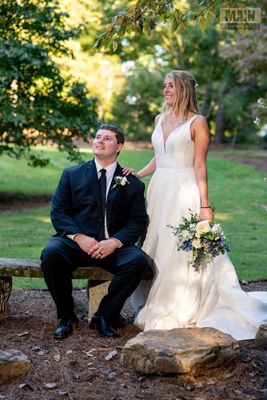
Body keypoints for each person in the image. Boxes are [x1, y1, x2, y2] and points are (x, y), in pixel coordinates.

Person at [126, 70, 267, 341]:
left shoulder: (198, 122)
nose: (165, 90)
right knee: (155, 243)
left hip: (183, 190)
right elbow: (160, 156)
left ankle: (182, 302)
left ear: (184, 90)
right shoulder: (160, 119)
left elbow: (199, 164)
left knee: (179, 248)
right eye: (164, 86)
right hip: (158, 191)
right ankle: (153, 296)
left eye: (171, 87)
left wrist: (205, 205)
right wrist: (140, 174)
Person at [41, 124, 150, 340]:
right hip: (77, 244)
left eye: (107, 138)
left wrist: (116, 241)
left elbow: (137, 221)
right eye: (97, 136)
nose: (99, 141)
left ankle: (104, 316)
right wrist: (79, 238)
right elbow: (59, 212)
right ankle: (66, 317)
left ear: (119, 146)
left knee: (137, 262)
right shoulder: (72, 174)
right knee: (51, 255)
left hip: (112, 247)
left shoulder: (132, 183)